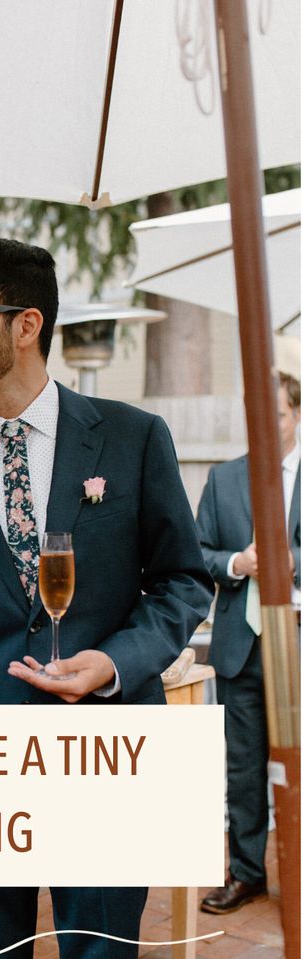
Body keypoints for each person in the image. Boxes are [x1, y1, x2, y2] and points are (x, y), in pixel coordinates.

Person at [0, 238, 213, 959]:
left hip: (108, 753)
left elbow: (183, 580)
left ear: (28, 322)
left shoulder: (130, 438)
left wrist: (113, 666)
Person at [196, 371, 300, 914]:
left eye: (277, 414)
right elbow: (199, 551)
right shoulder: (225, 478)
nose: (266, 425)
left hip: (297, 649)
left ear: (296, 415)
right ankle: (247, 873)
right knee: (242, 768)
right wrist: (238, 562)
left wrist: (286, 563)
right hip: (240, 645)